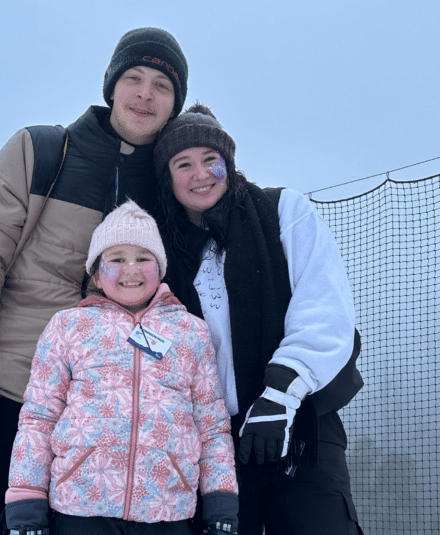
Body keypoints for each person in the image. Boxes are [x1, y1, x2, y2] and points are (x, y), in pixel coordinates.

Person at [0, 28, 190, 534]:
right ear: (111, 86)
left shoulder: (173, 181)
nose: (145, 93)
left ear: (175, 102)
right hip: (14, 387)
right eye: (134, 78)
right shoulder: (43, 151)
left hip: (114, 417)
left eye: (162, 84)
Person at [153, 104, 364, 535]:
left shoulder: (283, 211)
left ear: (228, 164)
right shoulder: (159, 253)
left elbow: (324, 308)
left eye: (211, 160)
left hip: (299, 423)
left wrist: (278, 398)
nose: (201, 174)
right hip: (215, 447)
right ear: (167, 176)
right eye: (183, 164)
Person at [4, 201, 238, 535]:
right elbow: (39, 418)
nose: (131, 269)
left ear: (160, 269)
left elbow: (212, 425)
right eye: (117, 259)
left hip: (167, 509)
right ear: (96, 274)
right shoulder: (68, 326)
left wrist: (221, 501)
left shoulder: (192, 332)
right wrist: (26, 502)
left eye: (143, 258)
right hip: (80, 506)